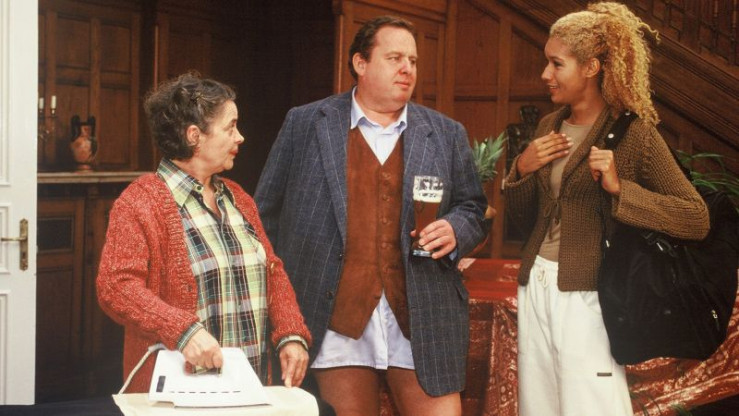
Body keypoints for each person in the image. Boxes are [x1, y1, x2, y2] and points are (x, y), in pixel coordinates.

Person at [254, 15, 487, 416]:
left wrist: (456, 229)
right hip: (334, 318)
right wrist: (279, 304)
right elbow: (264, 215)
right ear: (360, 63)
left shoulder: (446, 133)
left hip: (422, 316)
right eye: (395, 58)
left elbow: (473, 208)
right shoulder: (306, 123)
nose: (407, 69)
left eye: (413, 60)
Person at [503, 3, 710, 416]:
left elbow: (695, 217)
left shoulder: (634, 134)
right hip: (535, 285)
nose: (545, 74)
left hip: (590, 296)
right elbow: (524, 222)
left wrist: (620, 190)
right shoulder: (548, 126)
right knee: (538, 408)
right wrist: (521, 170)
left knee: (592, 408)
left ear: (591, 67)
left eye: (556, 64)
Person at [96, 72, 312, 393]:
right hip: (178, 396)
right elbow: (116, 287)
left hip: (250, 387)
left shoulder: (239, 198)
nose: (240, 137)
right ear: (194, 136)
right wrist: (182, 330)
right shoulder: (140, 202)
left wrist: (290, 333)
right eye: (230, 127)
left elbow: (272, 271)